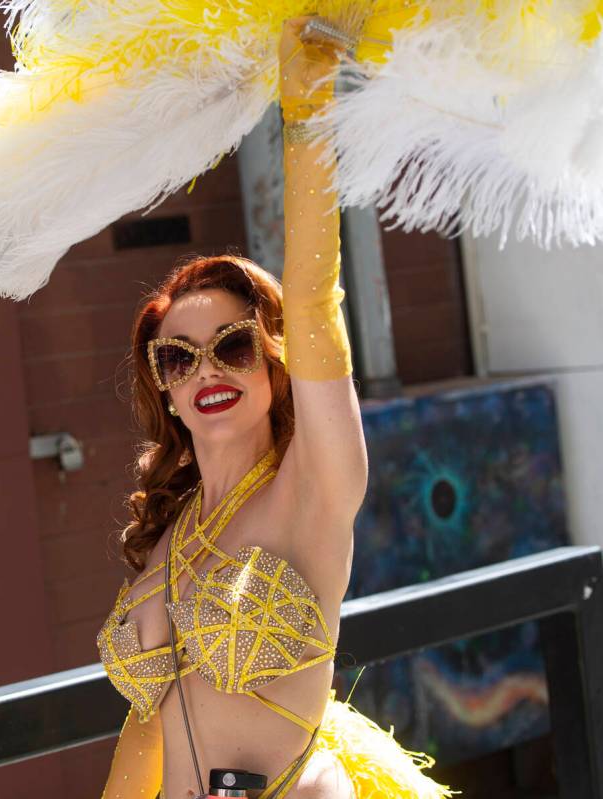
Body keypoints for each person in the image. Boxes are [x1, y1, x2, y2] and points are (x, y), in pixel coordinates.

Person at [97, 16, 454, 799]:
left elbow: (316, 306)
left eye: (232, 344)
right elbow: (146, 720)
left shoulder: (312, 485)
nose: (206, 370)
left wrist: (306, 107)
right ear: (163, 386)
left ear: (272, 358)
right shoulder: (173, 531)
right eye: (178, 357)